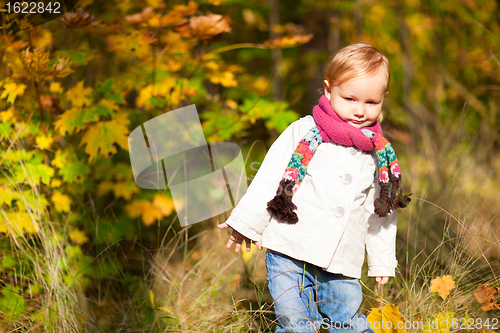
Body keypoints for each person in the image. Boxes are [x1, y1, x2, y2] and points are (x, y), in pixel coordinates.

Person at [217, 43, 410, 332]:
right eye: (349, 98)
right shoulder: (303, 131)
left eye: (371, 102)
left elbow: (381, 211)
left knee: (345, 322)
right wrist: (247, 223)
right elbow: (270, 177)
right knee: (295, 322)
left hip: (342, 260)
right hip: (289, 248)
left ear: (383, 99)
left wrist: (382, 260)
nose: (359, 111)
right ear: (328, 89)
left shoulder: (379, 154)